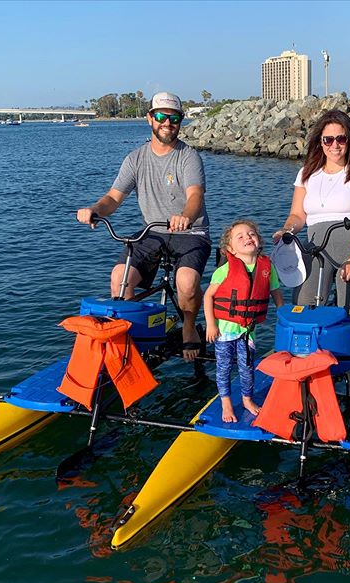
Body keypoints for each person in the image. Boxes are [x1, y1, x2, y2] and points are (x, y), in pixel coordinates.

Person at [76, 91, 210, 361]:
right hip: (154, 232)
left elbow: (195, 195)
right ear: (150, 119)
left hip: (190, 232)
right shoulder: (135, 159)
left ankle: (187, 328)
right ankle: (130, 336)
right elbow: (114, 198)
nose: (167, 123)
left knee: (186, 281)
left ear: (180, 122)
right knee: (119, 277)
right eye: (161, 116)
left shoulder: (188, 157)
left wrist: (185, 216)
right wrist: (94, 210)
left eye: (174, 118)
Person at [273, 109, 350, 421]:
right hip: (316, 250)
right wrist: (288, 230)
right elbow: (298, 215)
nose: (335, 145)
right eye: (328, 139)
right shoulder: (308, 173)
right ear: (320, 142)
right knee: (304, 312)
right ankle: (307, 383)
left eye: (341, 139)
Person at [204, 220, 284, 422]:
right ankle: (226, 403)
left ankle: (247, 399)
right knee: (224, 367)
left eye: (252, 234)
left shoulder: (267, 267)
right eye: (240, 236)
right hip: (224, 332)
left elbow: (275, 291)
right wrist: (211, 324)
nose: (248, 237)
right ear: (230, 249)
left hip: (248, 331)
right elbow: (208, 296)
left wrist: (283, 314)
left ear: (259, 241)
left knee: (247, 367)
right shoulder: (224, 271)